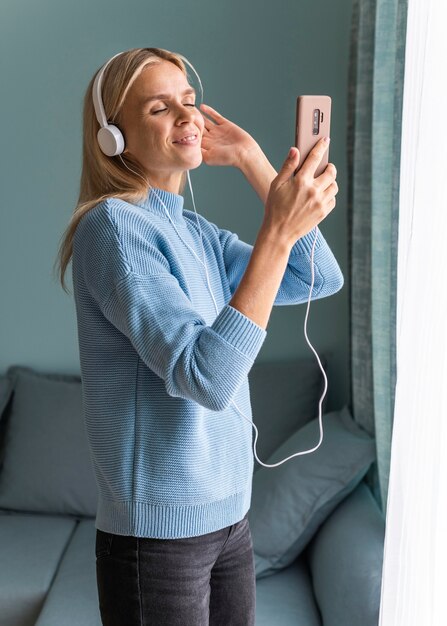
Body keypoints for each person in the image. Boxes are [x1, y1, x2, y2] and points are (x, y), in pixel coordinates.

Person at [54, 47, 343, 626]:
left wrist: (255, 161)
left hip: (231, 520)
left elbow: (320, 276)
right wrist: (276, 234)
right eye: (161, 108)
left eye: (190, 101)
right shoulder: (110, 227)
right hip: (157, 541)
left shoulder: (192, 229)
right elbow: (206, 377)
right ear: (115, 137)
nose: (188, 116)